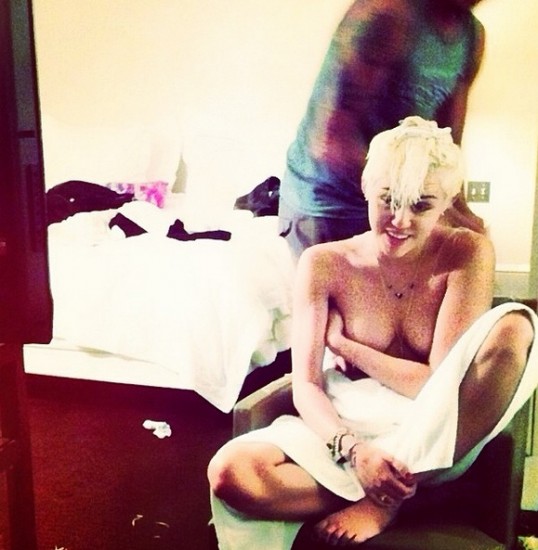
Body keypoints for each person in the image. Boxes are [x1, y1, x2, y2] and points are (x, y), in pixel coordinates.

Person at [207, 117, 538, 549]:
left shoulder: (466, 252)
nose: (400, 220)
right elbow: (307, 384)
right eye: (388, 200)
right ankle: (404, 493)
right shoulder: (323, 263)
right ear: (366, 189)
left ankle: (389, 499)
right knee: (231, 473)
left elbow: (434, 386)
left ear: (446, 202)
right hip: (346, 419)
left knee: (515, 326)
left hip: (431, 431)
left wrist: (345, 346)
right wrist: (355, 452)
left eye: (421, 205)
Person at [279, 0, 487, 258]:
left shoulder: (472, 37)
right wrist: (417, 200)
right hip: (328, 205)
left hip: (394, 197)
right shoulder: (386, 12)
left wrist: (457, 208)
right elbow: (332, 142)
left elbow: (448, 143)